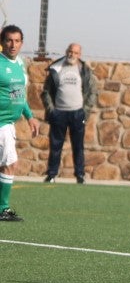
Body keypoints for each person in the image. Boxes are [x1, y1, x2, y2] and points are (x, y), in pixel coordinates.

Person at [40, 42, 98, 184]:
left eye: (75, 52)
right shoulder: (57, 68)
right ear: (66, 51)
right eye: (70, 51)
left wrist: (85, 111)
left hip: (77, 114)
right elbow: (46, 91)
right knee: (55, 146)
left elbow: (93, 92)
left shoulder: (84, 70)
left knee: (78, 146)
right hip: (59, 113)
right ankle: (52, 174)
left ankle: (80, 175)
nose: (72, 54)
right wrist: (51, 110)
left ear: (80, 55)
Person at [0, 25, 40, 222]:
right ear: (2, 42)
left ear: (21, 43)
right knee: (10, 164)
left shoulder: (20, 65)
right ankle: (2, 209)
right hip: (1, 123)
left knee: (8, 164)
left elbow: (19, 94)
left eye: (16, 41)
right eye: (8, 40)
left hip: (8, 123)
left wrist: (30, 116)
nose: (12, 44)